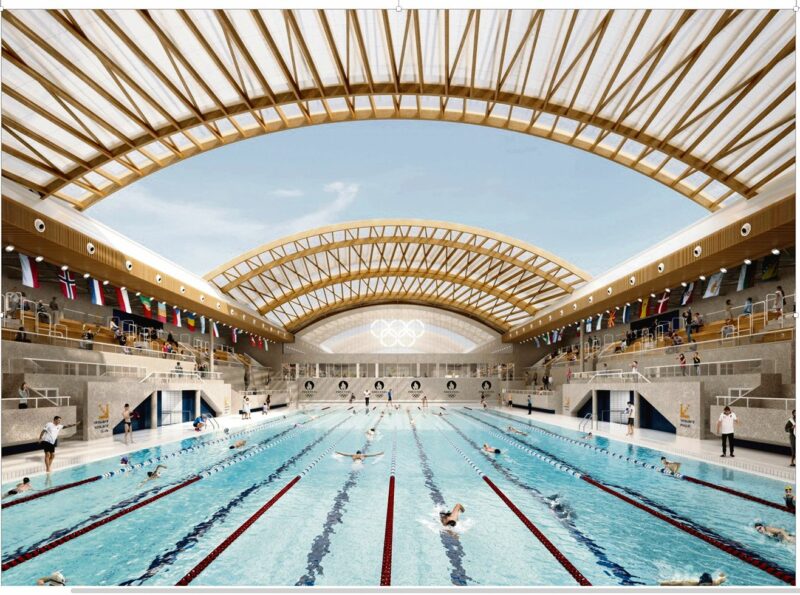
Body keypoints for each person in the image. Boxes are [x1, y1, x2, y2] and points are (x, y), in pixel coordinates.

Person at [659, 572, 726, 587]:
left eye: (708, 585)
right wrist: (663, 583)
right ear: (700, 583)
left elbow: (722, 578)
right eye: (704, 585)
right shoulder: (690, 583)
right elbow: (675, 583)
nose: (706, 587)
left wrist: (722, 575)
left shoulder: (714, 583)